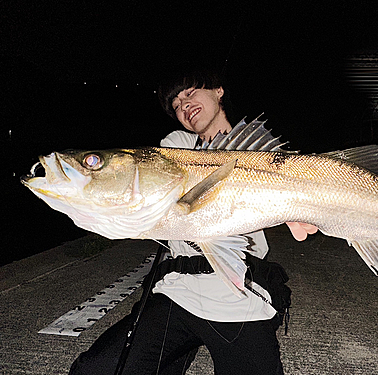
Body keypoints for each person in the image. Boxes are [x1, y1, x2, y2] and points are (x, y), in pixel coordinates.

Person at [69, 70, 317, 375]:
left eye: (190, 93)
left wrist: (302, 212)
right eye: (175, 105)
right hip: (178, 291)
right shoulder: (177, 146)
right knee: (96, 369)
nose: (183, 106)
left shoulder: (263, 155)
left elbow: (297, 188)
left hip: (238, 294)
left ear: (218, 90)